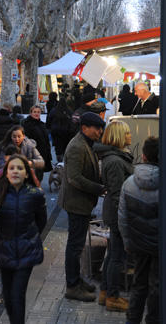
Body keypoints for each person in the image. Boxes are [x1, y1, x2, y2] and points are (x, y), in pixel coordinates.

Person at [0, 154, 47, 324]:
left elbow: (41, 221)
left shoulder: (35, 195)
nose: (15, 171)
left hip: (26, 252)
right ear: (6, 173)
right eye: (12, 168)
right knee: (8, 296)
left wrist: (31, 238)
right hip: (4, 251)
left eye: (20, 168)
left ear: (26, 174)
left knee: (17, 295)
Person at [61, 112, 105, 302]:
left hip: (82, 202)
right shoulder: (77, 146)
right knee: (75, 246)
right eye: (97, 128)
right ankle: (72, 286)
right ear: (85, 128)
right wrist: (99, 188)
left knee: (77, 245)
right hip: (76, 203)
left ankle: (76, 279)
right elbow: (75, 178)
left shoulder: (86, 143)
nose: (99, 132)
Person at [93, 120, 133, 312]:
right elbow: (117, 193)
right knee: (117, 256)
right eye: (127, 133)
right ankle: (112, 296)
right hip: (118, 212)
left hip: (115, 210)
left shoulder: (115, 157)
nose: (130, 136)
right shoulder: (116, 161)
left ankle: (105, 291)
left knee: (113, 254)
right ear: (119, 137)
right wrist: (123, 218)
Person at [118, 137, 160, 324]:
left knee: (139, 283)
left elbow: (122, 217)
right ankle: (153, 319)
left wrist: (127, 242)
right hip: (161, 245)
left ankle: (132, 319)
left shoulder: (129, 183)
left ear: (143, 156)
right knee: (158, 286)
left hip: (139, 243)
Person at [21, 105, 53, 181]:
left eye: (38, 112)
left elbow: (46, 140)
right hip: (33, 155)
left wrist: (48, 155)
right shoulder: (27, 125)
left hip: (43, 154)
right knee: (32, 176)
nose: (36, 113)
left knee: (39, 175)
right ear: (31, 113)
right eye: (34, 112)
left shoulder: (42, 124)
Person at [47, 96, 75, 162]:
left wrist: (50, 128)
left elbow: (49, 120)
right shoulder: (69, 111)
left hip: (56, 134)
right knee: (65, 148)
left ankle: (59, 162)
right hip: (67, 133)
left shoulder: (54, 111)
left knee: (58, 149)